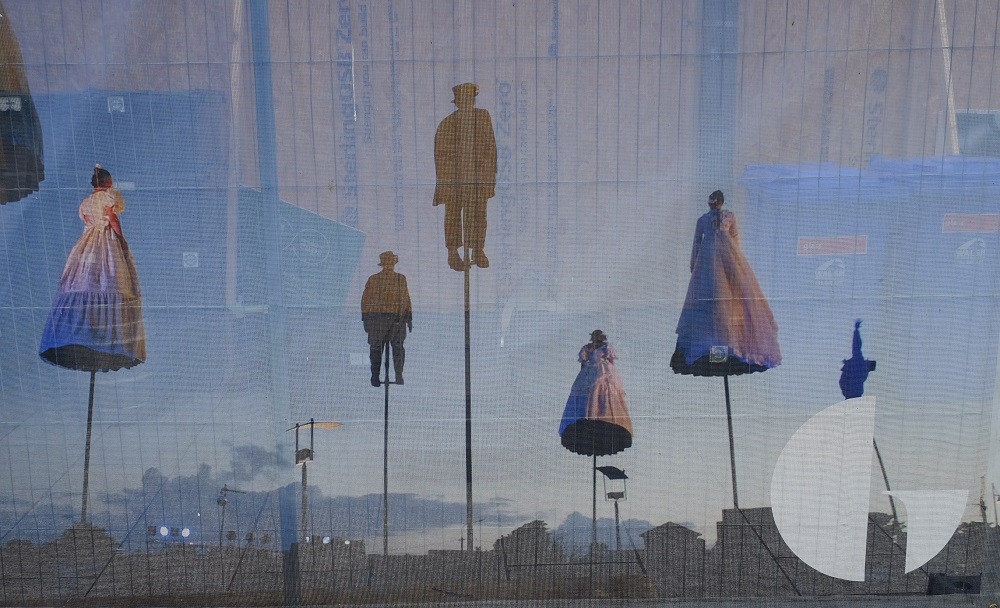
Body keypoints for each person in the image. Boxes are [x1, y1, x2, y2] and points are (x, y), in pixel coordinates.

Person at [39, 164, 145, 371]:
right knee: (110, 280)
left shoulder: (86, 202)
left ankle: (85, 330)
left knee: (84, 282)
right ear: (107, 182)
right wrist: (121, 239)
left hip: (86, 245)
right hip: (106, 241)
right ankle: (101, 334)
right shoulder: (108, 196)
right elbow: (112, 218)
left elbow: (89, 221)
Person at [671, 190, 781, 376]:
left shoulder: (730, 217)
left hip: (728, 259)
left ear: (720, 202)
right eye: (711, 202)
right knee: (712, 296)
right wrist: (694, 265)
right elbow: (697, 242)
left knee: (731, 298)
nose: (713, 205)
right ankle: (714, 351)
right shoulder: (703, 220)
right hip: (708, 262)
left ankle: (731, 347)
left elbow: (735, 239)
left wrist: (738, 264)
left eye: (715, 202)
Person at [433, 82, 497, 271]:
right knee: (453, 215)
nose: (468, 102)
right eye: (463, 99)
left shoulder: (483, 117)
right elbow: (440, 155)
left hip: (478, 178)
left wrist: (489, 177)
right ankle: (453, 254)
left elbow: (491, 147)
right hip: (454, 181)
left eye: (470, 99)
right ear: (458, 102)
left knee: (479, 214)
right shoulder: (447, 123)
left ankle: (478, 250)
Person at [559, 330, 633, 456]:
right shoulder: (587, 348)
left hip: (604, 371)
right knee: (588, 392)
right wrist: (584, 376)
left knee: (603, 390)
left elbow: (611, 362)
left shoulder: (606, 347)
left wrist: (611, 375)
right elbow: (583, 363)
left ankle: (601, 414)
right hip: (590, 372)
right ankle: (589, 415)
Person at [361, 251, 412, 386]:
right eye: (387, 264)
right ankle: (375, 376)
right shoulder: (373, 279)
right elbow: (365, 300)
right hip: (378, 320)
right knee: (376, 348)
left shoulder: (400, 279)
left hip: (396, 320)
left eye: (391, 264)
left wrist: (408, 318)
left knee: (397, 347)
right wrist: (365, 319)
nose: (389, 266)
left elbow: (406, 299)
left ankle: (398, 374)